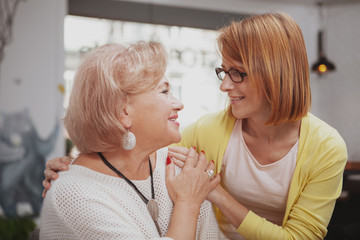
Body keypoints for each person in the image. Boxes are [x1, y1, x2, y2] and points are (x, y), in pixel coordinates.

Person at [43, 12, 348, 240]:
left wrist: (213, 194)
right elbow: (130, 155)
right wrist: (80, 165)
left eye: (238, 73)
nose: (224, 86)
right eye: (223, 71)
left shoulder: (326, 146)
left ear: (275, 76)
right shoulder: (205, 133)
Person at [39, 42, 221, 240]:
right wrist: (188, 203)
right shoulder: (72, 195)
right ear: (123, 112)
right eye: (164, 91)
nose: (179, 104)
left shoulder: (178, 168)